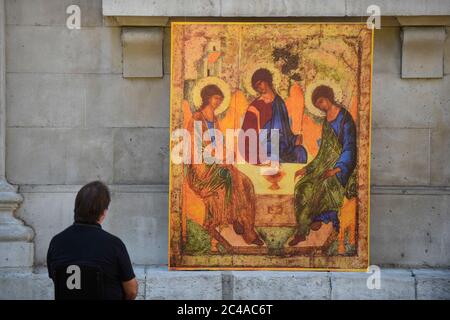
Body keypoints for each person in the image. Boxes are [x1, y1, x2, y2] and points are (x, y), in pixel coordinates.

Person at [186, 84, 264, 246]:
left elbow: (219, 141)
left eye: (220, 100)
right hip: (201, 169)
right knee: (230, 176)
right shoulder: (197, 118)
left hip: (217, 163)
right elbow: (195, 147)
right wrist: (216, 157)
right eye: (216, 99)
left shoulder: (213, 118)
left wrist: (227, 153)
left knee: (246, 182)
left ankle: (242, 221)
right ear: (207, 97)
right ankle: (243, 226)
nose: (218, 102)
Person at [289, 85, 357, 246]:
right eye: (317, 104)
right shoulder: (327, 121)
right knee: (302, 186)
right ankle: (302, 229)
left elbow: (350, 147)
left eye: (321, 101)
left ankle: (316, 218)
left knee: (324, 185)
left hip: (342, 166)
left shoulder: (344, 118)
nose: (320, 106)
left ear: (328, 97)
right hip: (324, 164)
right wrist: (308, 168)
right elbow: (323, 151)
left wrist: (337, 169)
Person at [47, 181, 138, 300]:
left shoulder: (56, 242)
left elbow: (57, 280)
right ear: (104, 212)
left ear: (76, 208)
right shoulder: (114, 244)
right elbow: (131, 291)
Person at [241, 68, 307, 164]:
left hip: (283, 145)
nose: (259, 88)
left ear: (267, 80)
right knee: (274, 154)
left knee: (300, 152)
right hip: (266, 146)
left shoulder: (279, 102)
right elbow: (247, 133)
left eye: (260, 83)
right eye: (256, 87)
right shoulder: (256, 106)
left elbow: (285, 130)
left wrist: (294, 139)